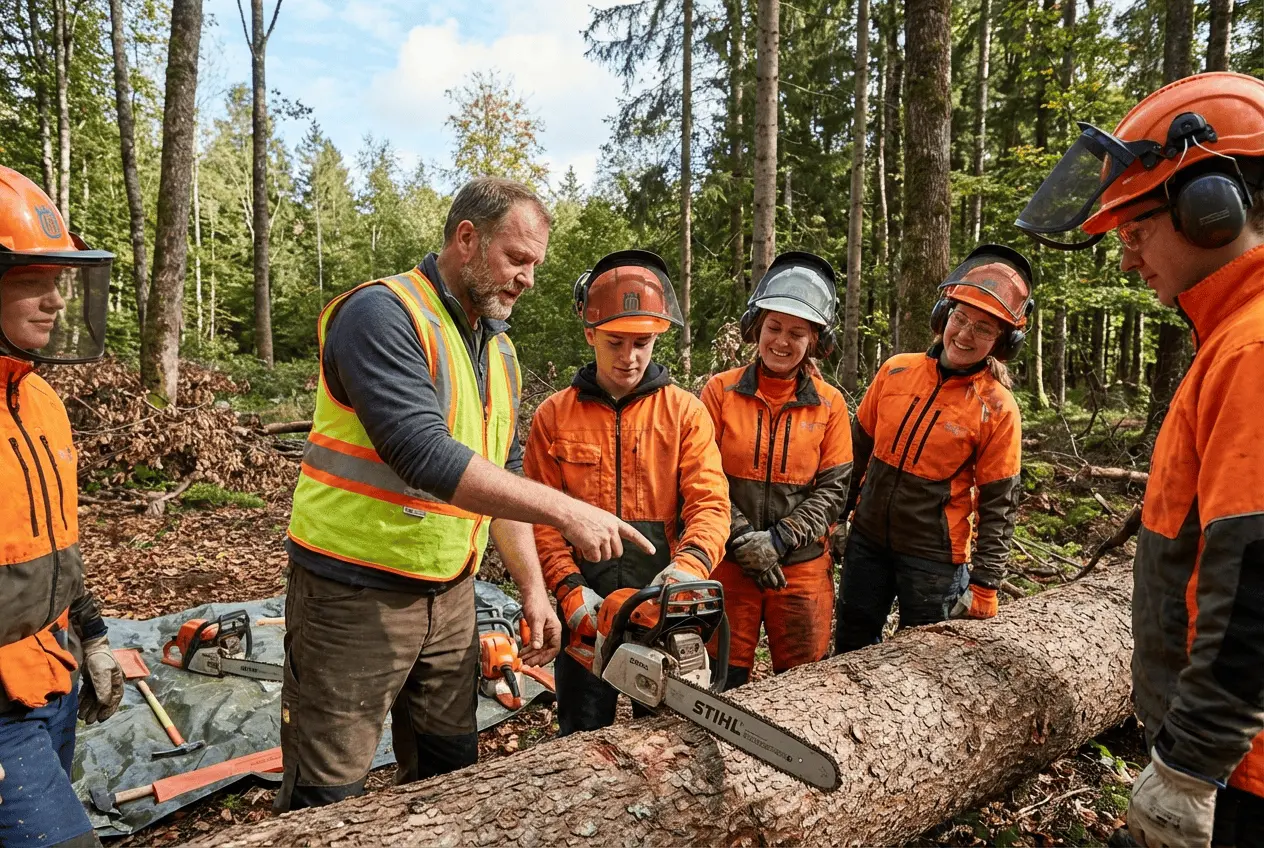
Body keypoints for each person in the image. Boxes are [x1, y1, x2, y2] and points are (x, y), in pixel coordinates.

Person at [279, 178, 656, 810]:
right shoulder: (383, 313)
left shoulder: (498, 351)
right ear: (466, 239)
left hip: (450, 595)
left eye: (536, 265)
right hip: (352, 595)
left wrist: (534, 589)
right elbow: (420, 451)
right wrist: (567, 509)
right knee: (330, 792)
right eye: (518, 259)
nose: (529, 279)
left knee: (449, 776)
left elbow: (499, 478)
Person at [1018, 70, 1264, 848]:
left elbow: (1256, 572)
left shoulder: (1254, 347)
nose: (1127, 259)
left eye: (1135, 230)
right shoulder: (1233, 336)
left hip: (1239, 772)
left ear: (1211, 208)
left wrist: (1192, 766)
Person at [522, 250, 729, 735]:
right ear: (591, 333)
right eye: (616, 341)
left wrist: (688, 568)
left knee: (666, 743)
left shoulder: (684, 413)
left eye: (642, 342)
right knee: (581, 736)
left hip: (663, 603)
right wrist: (569, 591)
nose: (629, 357)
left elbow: (710, 504)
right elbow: (541, 517)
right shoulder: (555, 415)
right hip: (587, 602)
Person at [0, 165, 124, 847]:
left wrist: (94, 637)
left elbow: (56, 543)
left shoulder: (40, 400)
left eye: (58, 281)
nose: (53, 301)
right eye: (31, 281)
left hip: (51, 678)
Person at [833, 244, 1030, 653]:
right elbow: (856, 453)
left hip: (934, 559)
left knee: (924, 661)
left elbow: (1000, 503)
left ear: (1002, 342)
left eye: (984, 328)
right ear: (944, 316)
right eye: (960, 318)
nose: (965, 334)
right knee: (851, 644)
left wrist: (986, 584)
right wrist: (838, 519)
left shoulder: (997, 407)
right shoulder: (896, 370)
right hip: (868, 540)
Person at [699, 252, 852, 689]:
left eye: (797, 333)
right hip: (729, 562)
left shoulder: (830, 405)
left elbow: (833, 491)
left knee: (804, 685)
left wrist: (779, 539)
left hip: (801, 567)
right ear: (757, 329)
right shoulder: (720, 391)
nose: (782, 341)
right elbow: (701, 474)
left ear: (815, 341)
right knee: (719, 679)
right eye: (774, 328)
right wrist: (744, 538)